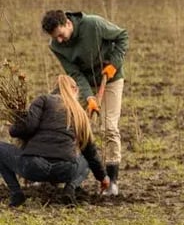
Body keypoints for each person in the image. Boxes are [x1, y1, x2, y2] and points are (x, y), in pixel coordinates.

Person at [42, 9, 127, 197]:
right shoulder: (56, 45)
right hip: (84, 83)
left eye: (61, 35)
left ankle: (112, 182)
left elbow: (122, 36)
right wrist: (89, 97)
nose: (60, 41)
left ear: (68, 24)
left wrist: (114, 64)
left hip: (110, 78)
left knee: (108, 128)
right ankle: (69, 175)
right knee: (71, 125)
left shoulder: (93, 24)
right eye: (56, 38)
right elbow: (75, 74)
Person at [0, 75, 111, 206]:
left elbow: (28, 128)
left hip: (34, 166)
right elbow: (90, 152)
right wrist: (103, 177)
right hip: (65, 170)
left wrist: (14, 128)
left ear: (54, 88)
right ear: (75, 90)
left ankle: (16, 194)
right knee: (85, 158)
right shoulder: (80, 113)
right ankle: (70, 189)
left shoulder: (43, 100)